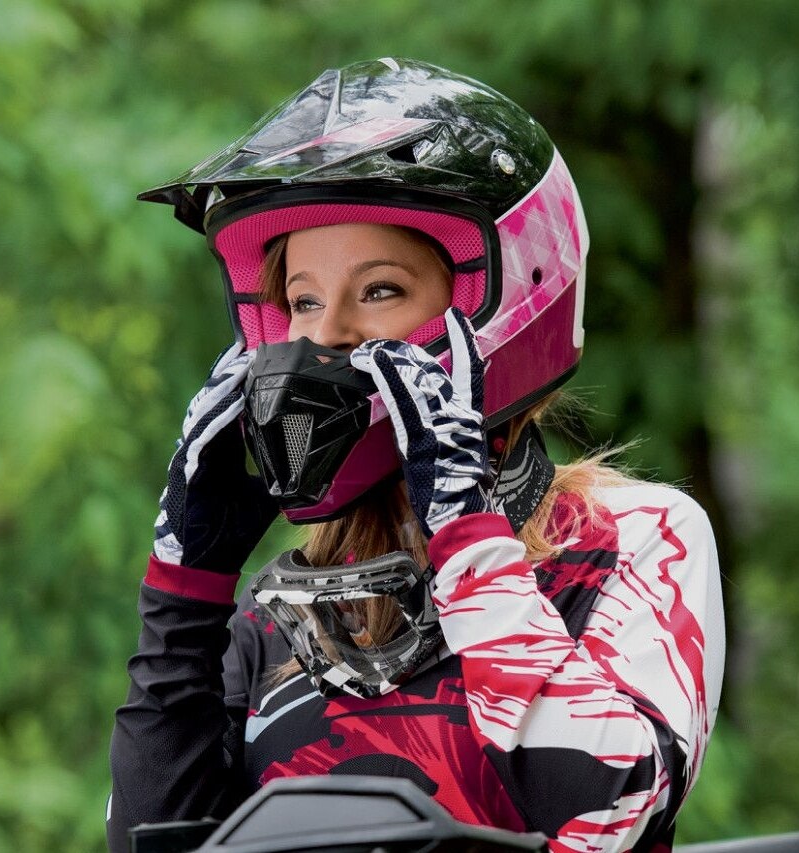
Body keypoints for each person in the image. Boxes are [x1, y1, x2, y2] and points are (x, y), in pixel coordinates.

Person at [108, 57, 725, 853]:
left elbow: (602, 812)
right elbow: (154, 843)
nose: (324, 335)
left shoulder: (635, 541)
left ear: (504, 300)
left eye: (378, 291)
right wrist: (183, 602)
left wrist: (467, 530)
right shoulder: (278, 617)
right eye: (301, 300)